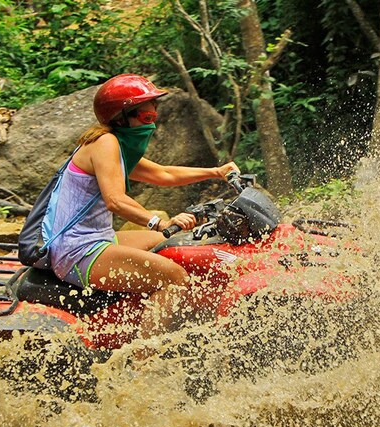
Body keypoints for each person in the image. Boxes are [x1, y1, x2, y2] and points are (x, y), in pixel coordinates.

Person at [39, 73, 238, 337]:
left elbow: (163, 174)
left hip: (96, 238)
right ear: (123, 116)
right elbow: (115, 200)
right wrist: (160, 221)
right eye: (148, 116)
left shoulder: (116, 146)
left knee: (165, 243)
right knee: (175, 277)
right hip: (77, 251)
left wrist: (216, 171)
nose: (153, 118)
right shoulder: (104, 143)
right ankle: (142, 359)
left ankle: (135, 318)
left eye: (155, 110)